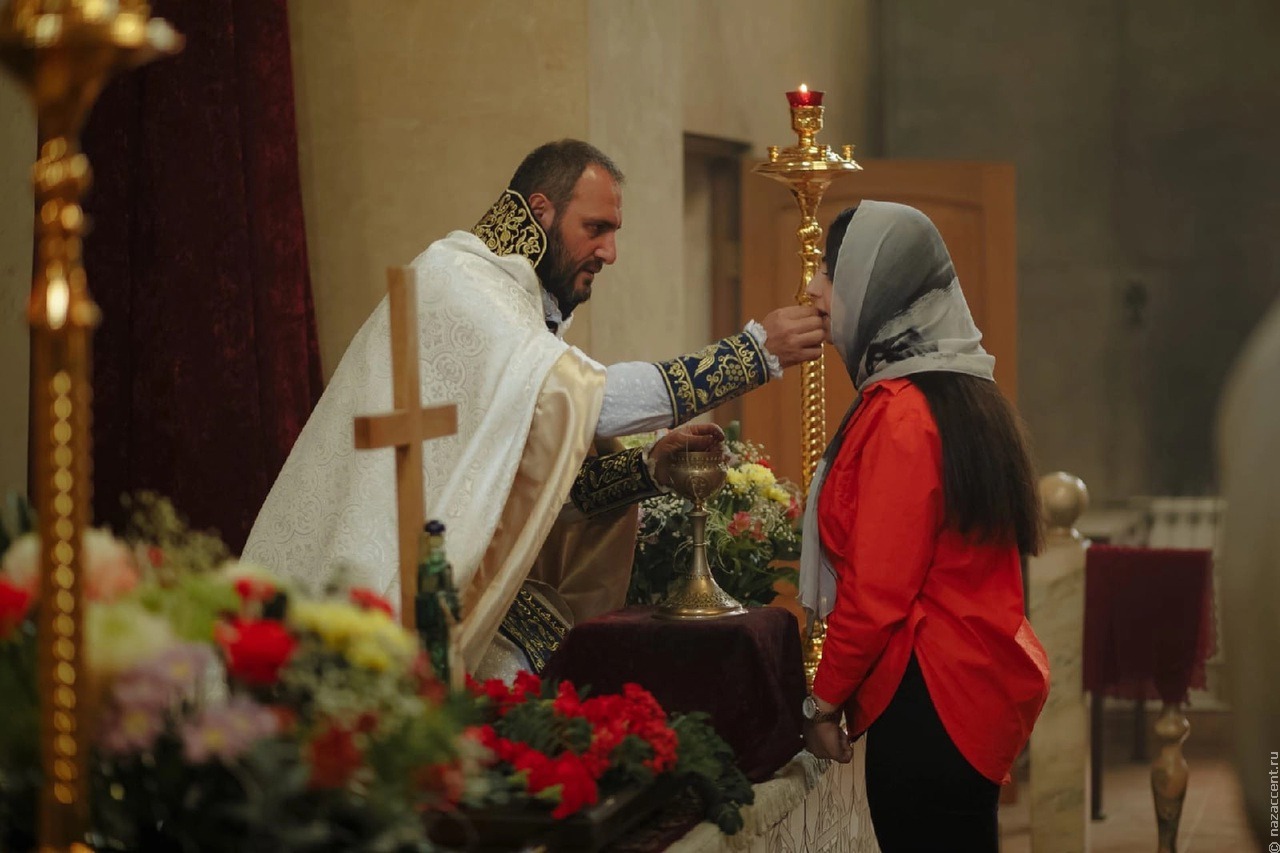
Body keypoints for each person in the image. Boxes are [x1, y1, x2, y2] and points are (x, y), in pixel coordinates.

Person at [243, 139, 827, 677]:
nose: (611, 252)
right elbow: (589, 401)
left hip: (444, 571)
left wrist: (648, 471)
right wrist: (750, 355)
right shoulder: (459, 282)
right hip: (375, 586)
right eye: (595, 227)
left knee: (565, 661)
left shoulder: (509, 301)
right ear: (540, 210)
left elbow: (532, 489)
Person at [796, 201, 1049, 851]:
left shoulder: (905, 412)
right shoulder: (948, 388)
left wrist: (821, 702)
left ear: (872, 286)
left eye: (828, 269)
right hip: (965, 684)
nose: (813, 287)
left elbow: (879, 592)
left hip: (933, 696)